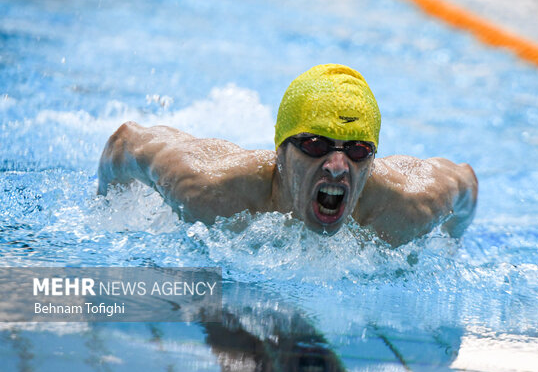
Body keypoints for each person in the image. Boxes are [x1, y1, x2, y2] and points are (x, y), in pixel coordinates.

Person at [97, 64, 477, 246]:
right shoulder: (210, 189)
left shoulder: (409, 207)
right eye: (314, 145)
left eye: (358, 150)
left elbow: (465, 183)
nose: (337, 165)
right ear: (281, 149)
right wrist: (105, 208)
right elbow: (126, 141)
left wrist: (449, 247)